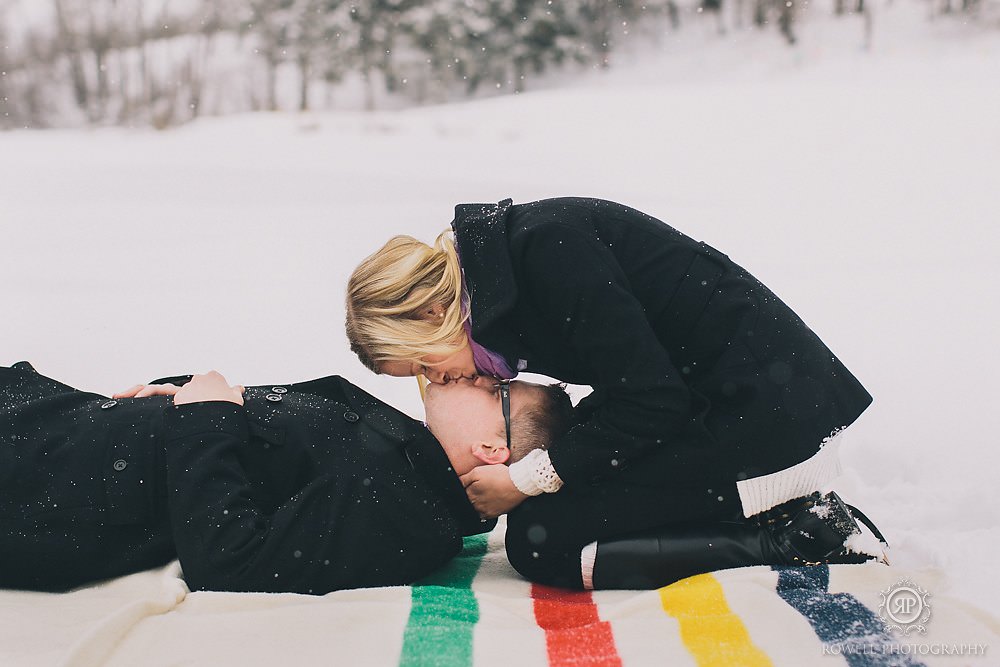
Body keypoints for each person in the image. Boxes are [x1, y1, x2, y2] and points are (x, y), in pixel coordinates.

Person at [346, 196, 886, 590]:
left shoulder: (546, 253)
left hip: (765, 416)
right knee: (562, 497)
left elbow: (652, 401)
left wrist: (524, 477)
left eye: (422, 364)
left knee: (543, 541)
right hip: (724, 398)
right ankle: (772, 518)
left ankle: (803, 538)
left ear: (430, 314)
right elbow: (639, 387)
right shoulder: (513, 266)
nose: (436, 381)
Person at [0, 360, 571, 594]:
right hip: (60, 428)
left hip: (44, 487)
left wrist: (204, 417)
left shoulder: (403, 514)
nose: (475, 373)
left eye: (495, 388)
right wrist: (179, 395)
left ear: (492, 449)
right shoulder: (408, 461)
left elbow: (231, 563)